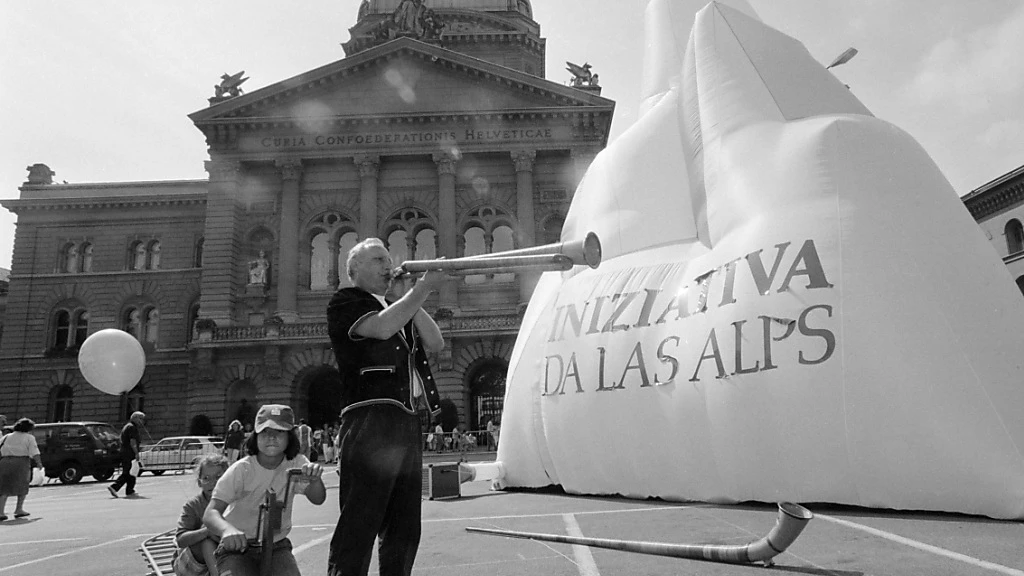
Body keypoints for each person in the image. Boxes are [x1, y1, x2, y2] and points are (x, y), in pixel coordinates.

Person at [326, 237, 449, 576]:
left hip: (406, 421)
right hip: (369, 420)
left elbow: (436, 342)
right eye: (378, 259)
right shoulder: (345, 301)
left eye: (387, 258)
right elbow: (380, 328)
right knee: (360, 520)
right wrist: (420, 290)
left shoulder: (399, 308)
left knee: (405, 525)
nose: (387, 265)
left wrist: (407, 297)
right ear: (354, 270)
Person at [204, 404, 325, 576]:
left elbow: (318, 499)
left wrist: (314, 480)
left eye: (279, 431)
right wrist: (227, 530)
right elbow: (211, 512)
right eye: (265, 431)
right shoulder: (242, 469)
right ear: (256, 435)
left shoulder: (297, 463)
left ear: (290, 436)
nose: (271, 437)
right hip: (238, 547)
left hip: (277, 545)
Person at [173, 453, 230, 576]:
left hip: (223, 557)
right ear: (199, 482)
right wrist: (207, 531)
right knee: (207, 538)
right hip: (191, 565)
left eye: (218, 477)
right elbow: (181, 540)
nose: (212, 483)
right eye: (206, 478)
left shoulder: (234, 502)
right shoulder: (193, 505)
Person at [0, 418, 42, 521]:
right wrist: (39, 463)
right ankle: (19, 509)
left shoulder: (6, 437)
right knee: (22, 485)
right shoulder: (29, 438)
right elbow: (34, 452)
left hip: (4, 462)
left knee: (4, 487)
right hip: (21, 462)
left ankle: (1, 512)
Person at [109, 411, 145, 498]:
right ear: (135, 418)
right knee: (128, 472)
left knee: (132, 471)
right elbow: (132, 441)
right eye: (141, 419)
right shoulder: (132, 427)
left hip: (125, 452)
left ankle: (130, 490)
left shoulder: (128, 426)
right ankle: (114, 487)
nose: (142, 421)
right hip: (129, 453)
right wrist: (136, 453)